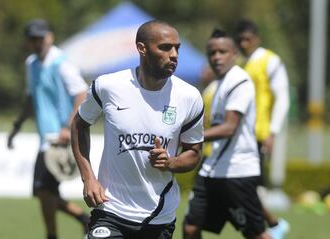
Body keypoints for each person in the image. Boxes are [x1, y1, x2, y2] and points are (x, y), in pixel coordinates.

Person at [70, 20, 204, 239]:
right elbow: (79, 124)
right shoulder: (108, 86)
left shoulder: (189, 96)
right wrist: (88, 179)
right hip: (111, 209)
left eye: (177, 48)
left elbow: (193, 153)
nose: (174, 54)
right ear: (142, 48)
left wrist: (171, 162)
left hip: (158, 216)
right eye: (165, 47)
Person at [183, 28, 271, 239]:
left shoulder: (239, 81)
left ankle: (275, 225)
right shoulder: (219, 84)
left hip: (237, 172)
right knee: (190, 227)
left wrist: (188, 135)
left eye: (223, 52)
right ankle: (276, 223)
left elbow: (229, 127)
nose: (217, 57)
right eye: (212, 53)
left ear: (235, 54)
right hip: (212, 170)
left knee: (256, 234)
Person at [7, 18, 90, 239]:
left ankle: (53, 235)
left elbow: (82, 94)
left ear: (50, 37)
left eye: (41, 37)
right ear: (28, 41)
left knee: (44, 190)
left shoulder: (61, 63)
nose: (38, 42)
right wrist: (17, 125)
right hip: (46, 138)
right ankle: (84, 220)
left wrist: (67, 127)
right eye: (33, 39)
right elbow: (30, 97)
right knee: (44, 191)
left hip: (59, 138)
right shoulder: (31, 64)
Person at [234, 19, 290, 239]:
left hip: (260, 133)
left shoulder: (270, 61)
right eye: (240, 40)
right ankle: (272, 225)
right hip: (239, 134)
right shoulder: (240, 62)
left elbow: (282, 97)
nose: (244, 44)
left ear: (257, 38)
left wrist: (272, 132)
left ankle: (271, 227)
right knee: (247, 184)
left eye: (248, 39)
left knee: (250, 184)